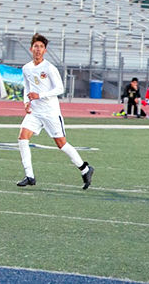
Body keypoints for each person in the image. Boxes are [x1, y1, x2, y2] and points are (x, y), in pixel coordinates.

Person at [16, 33, 94, 190]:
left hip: (51, 112)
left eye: (41, 47)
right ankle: (29, 176)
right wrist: (26, 102)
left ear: (45, 50)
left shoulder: (49, 68)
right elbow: (27, 86)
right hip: (35, 112)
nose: (38, 49)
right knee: (22, 138)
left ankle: (85, 169)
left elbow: (60, 88)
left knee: (61, 144)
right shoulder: (26, 68)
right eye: (36, 46)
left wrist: (40, 95)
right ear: (31, 48)